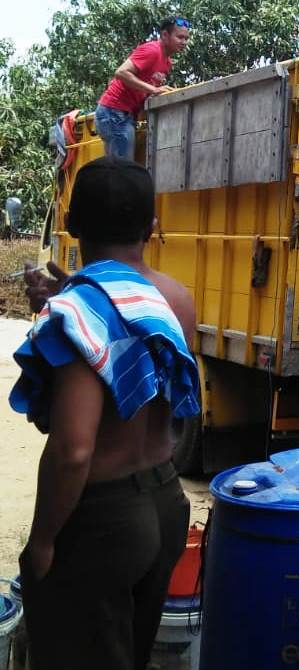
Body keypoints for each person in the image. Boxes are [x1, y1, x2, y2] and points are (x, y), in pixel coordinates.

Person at [9, 157, 201, 670]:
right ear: (152, 227)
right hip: (165, 501)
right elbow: (127, 320)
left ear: (71, 224)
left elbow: (74, 450)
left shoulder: (79, 315)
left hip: (103, 519)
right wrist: (71, 294)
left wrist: (44, 541)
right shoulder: (176, 299)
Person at [95, 17, 191, 159]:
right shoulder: (152, 50)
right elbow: (121, 73)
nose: (184, 42)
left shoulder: (167, 63)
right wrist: (153, 90)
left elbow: (143, 87)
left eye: (186, 38)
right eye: (180, 37)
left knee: (121, 168)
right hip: (114, 113)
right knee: (121, 168)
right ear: (165, 35)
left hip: (126, 115)